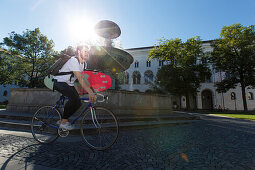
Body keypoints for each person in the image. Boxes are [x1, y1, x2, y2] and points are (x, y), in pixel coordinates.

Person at [53, 45, 96, 130]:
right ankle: (63, 122)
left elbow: (81, 79)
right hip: (60, 82)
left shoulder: (83, 64)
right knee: (74, 99)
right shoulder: (74, 60)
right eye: (85, 51)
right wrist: (90, 92)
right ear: (79, 52)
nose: (87, 53)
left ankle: (62, 120)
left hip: (69, 84)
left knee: (78, 102)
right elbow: (80, 79)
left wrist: (92, 90)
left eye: (88, 52)